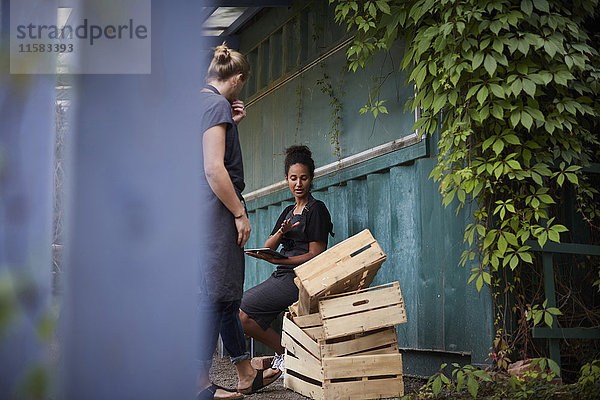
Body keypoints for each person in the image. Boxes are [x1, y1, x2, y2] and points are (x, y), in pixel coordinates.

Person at [197, 43, 281, 400]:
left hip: (198, 212)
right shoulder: (216, 105)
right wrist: (239, 213)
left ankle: (245, 373)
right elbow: (215, 169)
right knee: (214, 297)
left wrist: (230, 124)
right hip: (216, 211)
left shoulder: (197, 103)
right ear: (238, 79)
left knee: (226, 297)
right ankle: (198, 382)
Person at [240, 145, 334, 371]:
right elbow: (268, 245)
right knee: (240, 314)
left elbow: (316, 255)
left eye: (303, 178)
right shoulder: (288, 211)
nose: (298, 184)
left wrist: (281, 261)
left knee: (240, 312)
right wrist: (282, 232)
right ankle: (286, 355)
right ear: (286, 179)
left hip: (300, 279)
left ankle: (285, 356)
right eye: (293, 178)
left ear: (311, 179)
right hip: (281, 274)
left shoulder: (317, 210)